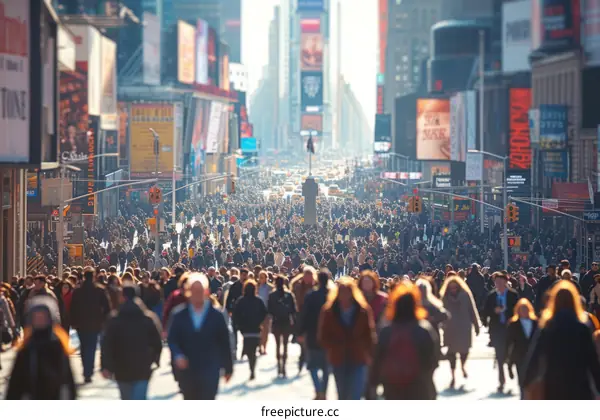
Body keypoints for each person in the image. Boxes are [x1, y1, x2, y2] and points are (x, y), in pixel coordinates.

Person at [522, 280, 600, 399]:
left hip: (553, 384)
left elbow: (535, 356)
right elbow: (592, 360)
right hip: (579, 384)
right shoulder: (582, 328)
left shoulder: (547, 327)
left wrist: (526, 382)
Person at [167, 273, 233, 400]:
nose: (197, 294)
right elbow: (173, 340)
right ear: (188, 292)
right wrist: (178, 355)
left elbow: (224, 342)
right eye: (194, 290)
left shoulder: (216, 316)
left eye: (200, 290)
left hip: (210, 370)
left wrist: (228, 368)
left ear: (206, 292)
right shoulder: (179, 315)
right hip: (187, 372)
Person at [369, 281, 439, 399]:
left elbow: (377, 360)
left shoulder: (387, 331)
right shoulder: (424, 330)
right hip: (419, 386)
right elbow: (433, 360)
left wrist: (374, 385)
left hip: (393, 386)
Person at [5, 296, 76, 399]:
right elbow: (16, 379)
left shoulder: (57, 344)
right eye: (37, 317)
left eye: (43, 317)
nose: (40, 320)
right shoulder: (27, 345)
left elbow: (68, 376)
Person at [100, 282, 162, 400]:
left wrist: (105, 366)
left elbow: (106, 344)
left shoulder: (114, 319)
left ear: (122, 297)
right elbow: (157, 342)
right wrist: (154, 360)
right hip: (143, 367)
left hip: (121, 368)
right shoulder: (148, 318)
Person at [318, 277, 376, 400]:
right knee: (342, 394)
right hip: (338, 358)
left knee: (355, 394)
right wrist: (333, 346)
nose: (344, 295)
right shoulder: (329, 311)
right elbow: (323, 335)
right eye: (341, 292)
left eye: (347, 292)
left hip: (358, 357)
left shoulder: (363, 311)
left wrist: (370, 354)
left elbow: (369, 334)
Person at [69, 267, 111, 383]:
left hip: (81, 323)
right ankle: (89, 370)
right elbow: (107, 307)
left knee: (83, 346)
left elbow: (72, 308)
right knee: (91, 347)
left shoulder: (78, 291)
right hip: (95, 323)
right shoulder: (99, 290)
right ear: (93, 277)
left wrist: (73, 321)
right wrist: (105, 320)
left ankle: (86, 370)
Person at [440, 275, 480, 389]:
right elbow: (441, 311)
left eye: (455, 287)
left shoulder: (465, 295)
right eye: (451, 288)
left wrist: (476, 325)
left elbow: (472, 310)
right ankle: (453, 376)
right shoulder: (445, 297)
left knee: (464, 351)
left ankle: (462, 366)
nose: (453, 290)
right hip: (450, 328)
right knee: (451, 353)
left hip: (464, 327)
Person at [481, 271, 518, 393]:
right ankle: (501, 379)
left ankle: (510, 365)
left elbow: (517, 310)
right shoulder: (491, 296)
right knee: (499, 354)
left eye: (501, 282)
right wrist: (490, 315)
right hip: (497, 329)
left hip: (510, 328)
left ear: (506, 282)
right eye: (496, 282)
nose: (498, 284)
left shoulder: (513, 295)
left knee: (510, 351)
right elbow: (485, 311)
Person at [298, 269, 331, 400]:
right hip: (329, 335)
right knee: (326, 367)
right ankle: (324, 391)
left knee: (312, 365)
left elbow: (304, 315)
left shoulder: (311, 295)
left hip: (313, 334)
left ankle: (318, 390)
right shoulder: (332, 295)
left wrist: (300, 332)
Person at [233, 279, 267, 380]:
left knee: (249, 349)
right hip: (256, 329)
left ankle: (251, 368)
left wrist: (239, 326)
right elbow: (264, 313)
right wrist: (259, 322)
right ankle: (252, 368)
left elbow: (236, 315)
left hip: (245, 330)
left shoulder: (241, 301)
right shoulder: (259, 300)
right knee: (254, 349)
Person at [505, 298, 537, 399]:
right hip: (519, 357)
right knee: (522, 381)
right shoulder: (513, 324)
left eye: (525, 309)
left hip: (533, 357)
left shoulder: (536, 323)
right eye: (521, 309)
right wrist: (509, 363)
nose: (524, 311)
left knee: (533, 380)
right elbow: (509, 343)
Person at [267, 275, 297, 378]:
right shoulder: (289, 295)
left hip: (276, 321)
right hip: (286, 321)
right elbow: (293, 310)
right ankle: (283, 365)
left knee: (277, 345)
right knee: (285, 345)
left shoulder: (272, 295)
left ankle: (279, 364)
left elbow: (269, 310)